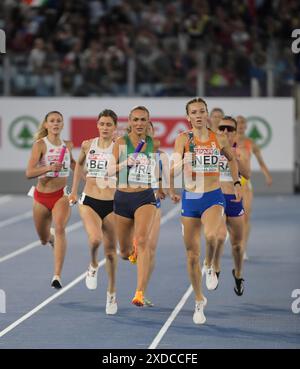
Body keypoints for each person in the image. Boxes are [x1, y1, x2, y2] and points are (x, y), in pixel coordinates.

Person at [169, 97, 242, 324]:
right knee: (191, 256)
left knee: (212, 236)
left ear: (207, 114)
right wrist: (181, 166)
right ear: (188, 117)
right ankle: (199, 301)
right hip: (191, 198)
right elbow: (171, 170)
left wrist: (237, 183)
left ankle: (210, 265)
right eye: (194, 112)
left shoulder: (217, 137)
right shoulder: (183, 139)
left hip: (212, 195)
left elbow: (231, 161)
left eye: (202, 111)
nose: (199, 115)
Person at [109, 106, 164, 307]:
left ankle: (139, 292)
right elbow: (109, 170)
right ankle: (129, 248)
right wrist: (124, 164)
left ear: (148, 122)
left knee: (142, 241)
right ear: (130, 122)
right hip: (123, 198)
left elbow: (157, 165)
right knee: (124, 253)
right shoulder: (121, 143)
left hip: (145, 197)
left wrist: (161, 185)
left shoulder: (153, 143)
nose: (139, 123)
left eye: (143, 120)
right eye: (136, 120)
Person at [69, 109, 118, 315]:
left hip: (113, 203)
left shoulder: (119, 148)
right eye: (102, 124)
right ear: (97, 125)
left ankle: (111, 294)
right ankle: (92, 264)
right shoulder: (88, 145)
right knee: (95, 239)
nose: (105, 127)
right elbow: (78, 165)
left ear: (115, 127)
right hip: (89, 200)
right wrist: (73, 191)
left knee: (111, 252)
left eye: (109, 124)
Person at [26, 111, 75, 289]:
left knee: (60, 227)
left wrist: (87, 176)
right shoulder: (40, 145)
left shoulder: (68, 145)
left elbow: (73, 165)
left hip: (60, 195)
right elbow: (29, 173)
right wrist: (49, 167)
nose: (55, 123)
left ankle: (57, 276)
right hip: (41, 197)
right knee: (43, 239)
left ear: (62, 125)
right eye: (52, 121)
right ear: (46, 125)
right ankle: (50, 237)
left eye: (59, 121)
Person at [128, 121, 168, 307]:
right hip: (131, 202)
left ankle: (141, 291)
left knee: (151, 249)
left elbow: (162, 176)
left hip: (153, 203)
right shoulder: (129, 152)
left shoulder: (160, 155)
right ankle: (134, 246)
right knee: (130, 248)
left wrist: (163, 189)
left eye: (150, 131)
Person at [212, 116, 251, 296]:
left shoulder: (240, 150)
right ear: (217, 130)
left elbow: (248, 174)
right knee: (219, 236)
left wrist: (234, 157)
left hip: (234, 200)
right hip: (216, 197)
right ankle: (216, 267)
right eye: (222, 129)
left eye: (229, 129)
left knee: (237, 246)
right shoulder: (211, 148)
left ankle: (238, 273)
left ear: (235, 132)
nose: (225, 132)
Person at [236, 115, 272, 260]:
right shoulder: (228, 142)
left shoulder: (251, 143)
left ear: (246, 126)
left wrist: (267, 175)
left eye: (243, 123)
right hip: (229, 182)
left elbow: (261, 162)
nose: (240, 126)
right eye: (238, 123)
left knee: (245, 217)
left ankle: (243, 248)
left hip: (245, 183)